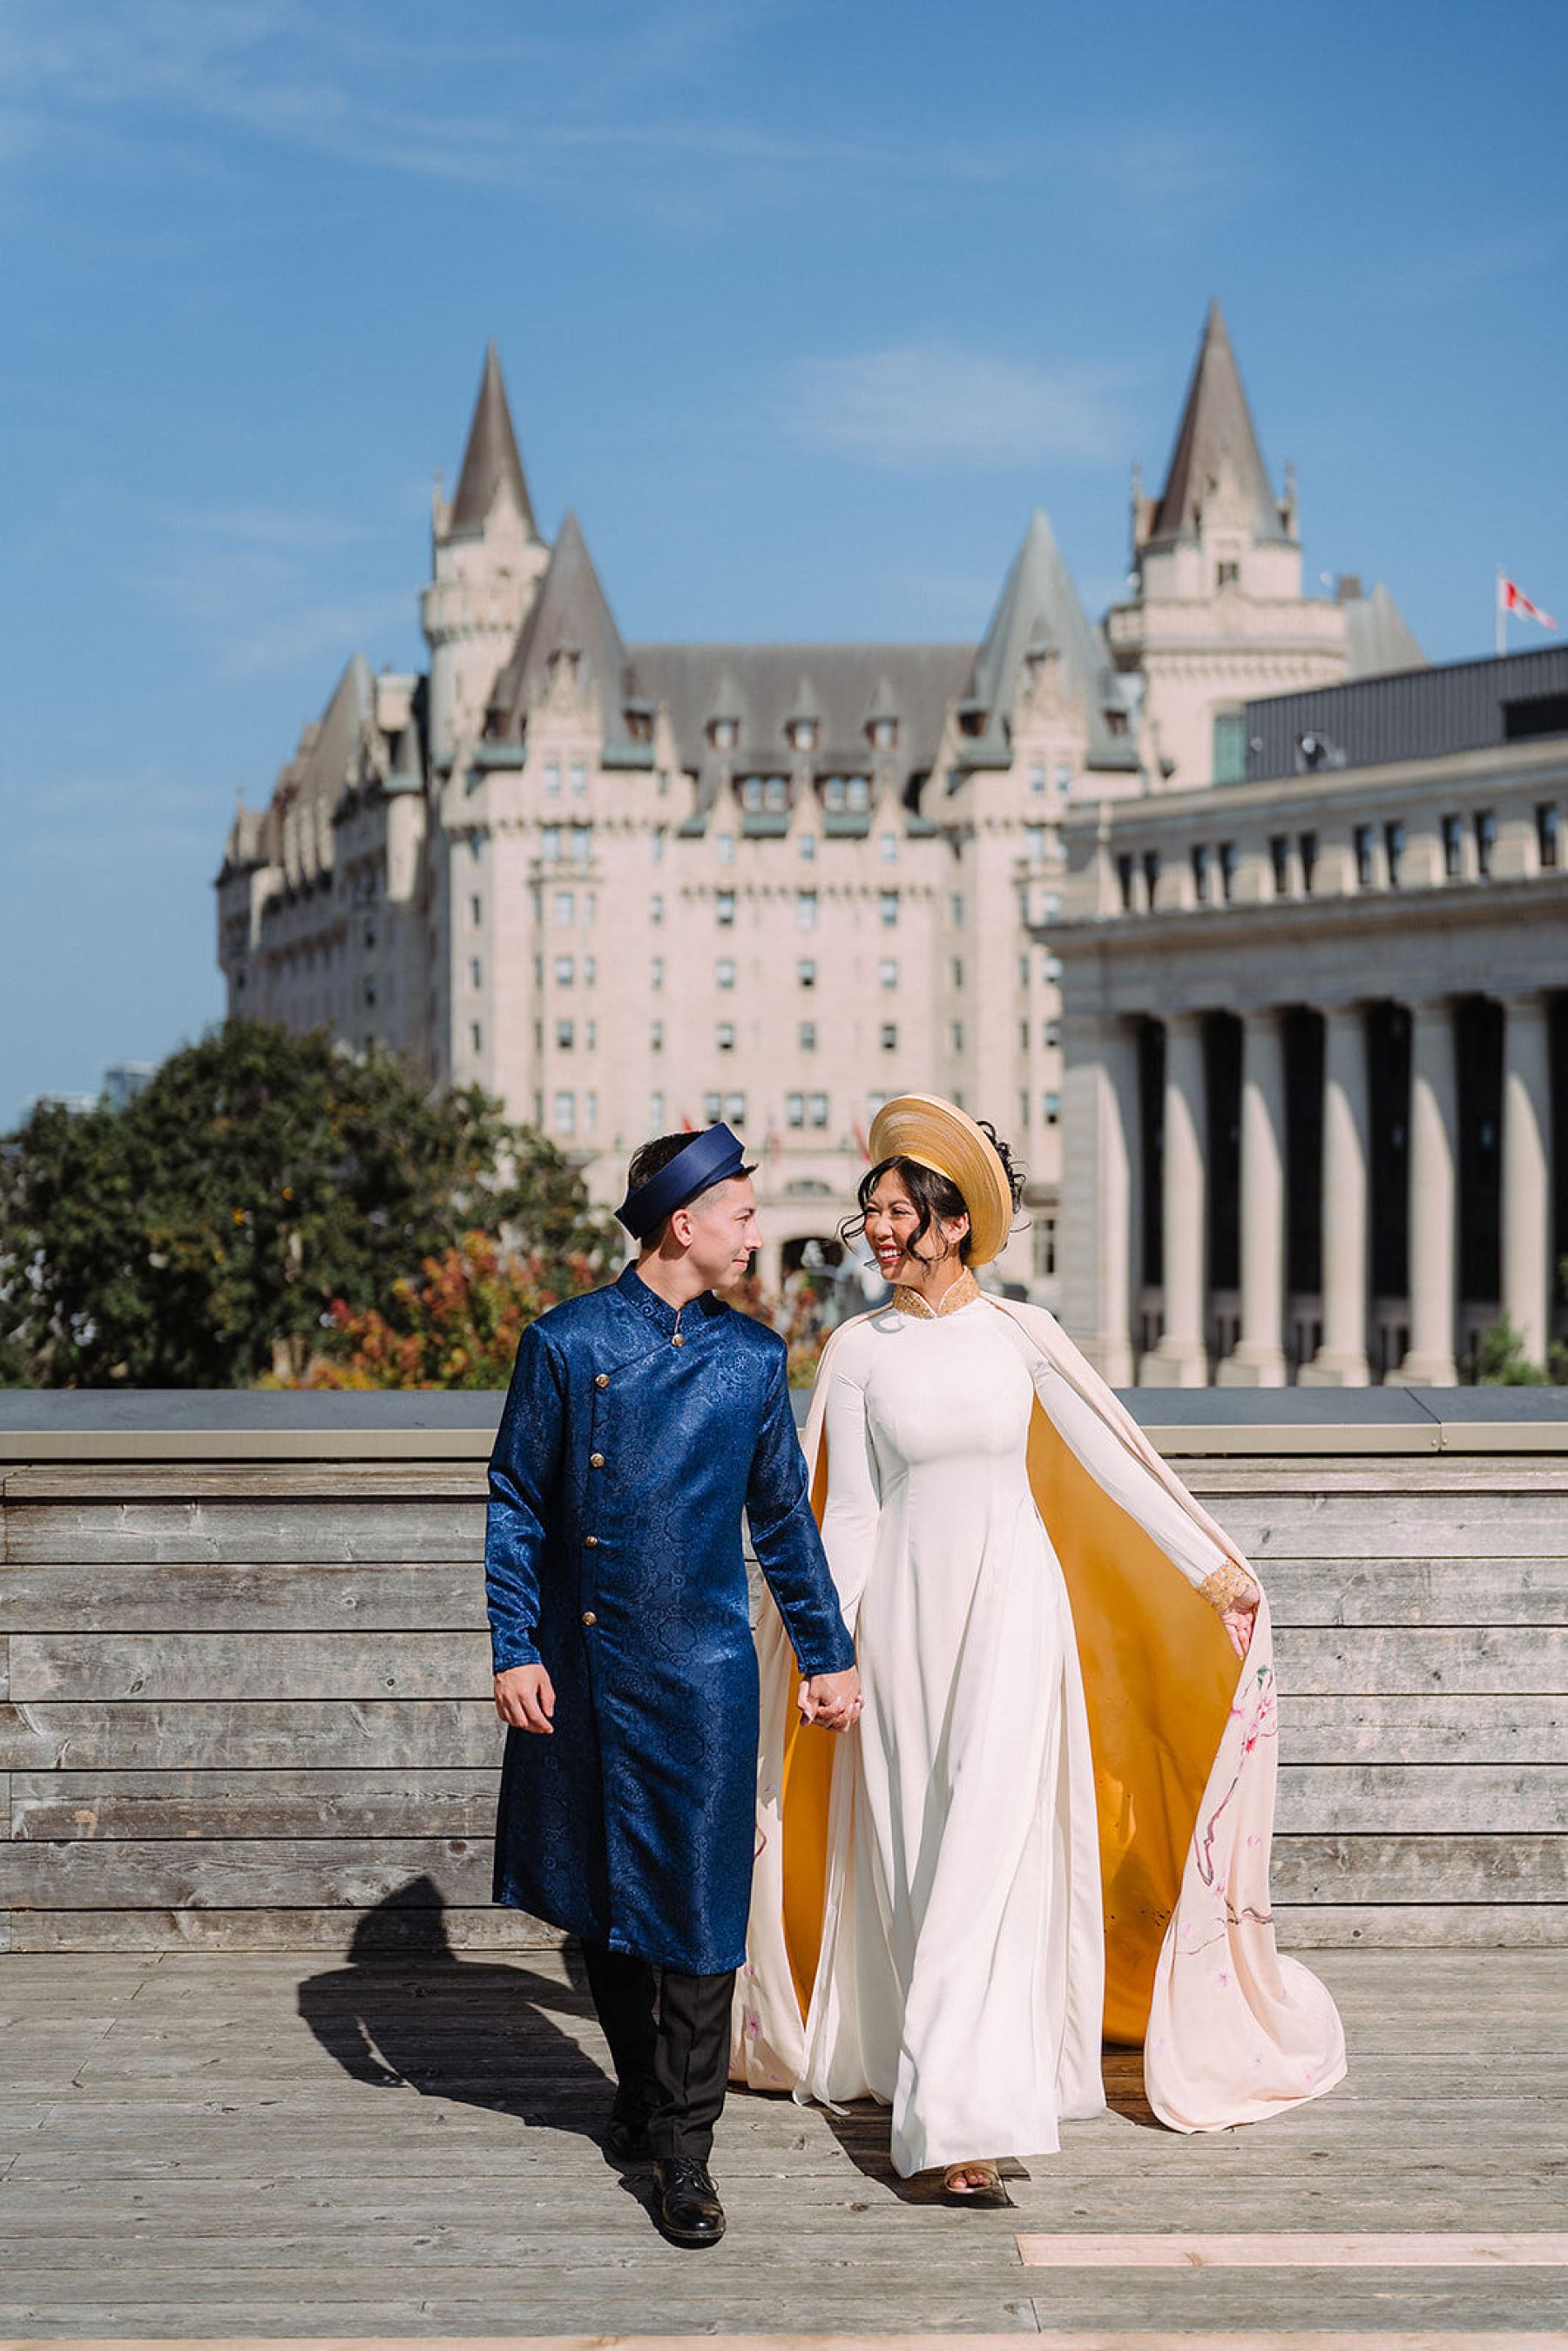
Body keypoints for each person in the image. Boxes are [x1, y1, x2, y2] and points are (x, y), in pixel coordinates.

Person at [733, 1092, 1345, 2200]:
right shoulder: (857, 1352)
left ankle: (956, 2127)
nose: (872, 1228)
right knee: (918, 1852)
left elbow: (1115, 1457)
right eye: (865, 1209)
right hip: (904, 1624)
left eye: (892, 1208)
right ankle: (937, 2073)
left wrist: (1212, 1564)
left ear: (950, 1219)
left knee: (986, 1853)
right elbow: (854, 1516)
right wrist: (829, 1652)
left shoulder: (1024, 1334)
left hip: (1015, 1611)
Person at [487, 1125, 861, 2247]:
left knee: (701, 1913)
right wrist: (516, 1642)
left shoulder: (751, 1359)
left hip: (702, 1671)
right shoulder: (563, 1343)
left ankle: (684, 2155)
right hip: (588, 1662)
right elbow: (517, 1498)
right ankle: (646, 2087)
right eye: (745, 1215)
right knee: (603, 1893)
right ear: (683, 1223)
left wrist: (828, 1650)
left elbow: (783, 1517)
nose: (759, 1232)